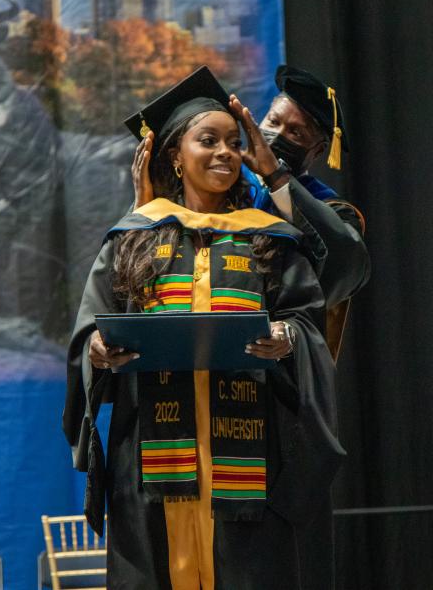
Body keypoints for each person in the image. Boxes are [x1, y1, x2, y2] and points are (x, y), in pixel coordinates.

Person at [64, 67, 344, 589]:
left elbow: (309, 323)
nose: (224, 153)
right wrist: (99, 350)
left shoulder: (271, 239)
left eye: (234, 143)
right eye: (207, 140)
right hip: (154, 450)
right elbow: (89, 331)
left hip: (247, 452)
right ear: (174, 154)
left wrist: (286, 339)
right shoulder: (134, 239)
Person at [132, 65, 370, 361]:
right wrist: (144, 209)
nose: (278, 135)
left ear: (318, 151)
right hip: (186, 353)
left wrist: (275, 175)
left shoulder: (331, 213)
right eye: (274, 121)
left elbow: (343, 271)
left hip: (271, 369)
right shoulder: (213, 189)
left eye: (295, 132)